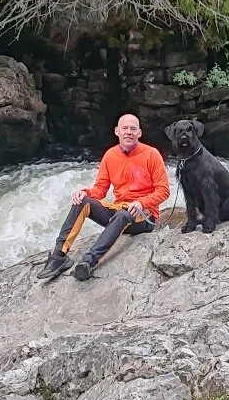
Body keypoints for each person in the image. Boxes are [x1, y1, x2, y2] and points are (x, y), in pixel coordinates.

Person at [46, 113, 169, 281]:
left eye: (133, 129)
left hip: (145, 215)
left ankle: (88, 261)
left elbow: (164, 190)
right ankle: (59, 256)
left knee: (124, 214)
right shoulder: (110, 155)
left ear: (139, 133)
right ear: (117, 131)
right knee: (82, 202)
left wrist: (141, 202)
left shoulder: (151, 154)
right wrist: (86, 193)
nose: (128, 132)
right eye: (125, 128)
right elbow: (100, 190)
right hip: (119, 208)